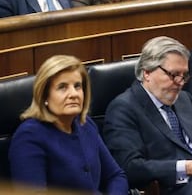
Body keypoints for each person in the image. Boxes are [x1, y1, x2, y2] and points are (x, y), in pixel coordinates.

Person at [103, 36, 192, 195]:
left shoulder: (184, 99)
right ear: (147, 73)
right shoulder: (123, 108)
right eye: (173, 74)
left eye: (184, 75)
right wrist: (185, 168)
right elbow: (129, 167)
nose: (180, 82)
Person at [8, 55, 128, 194]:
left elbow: (116, 176)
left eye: (77, 86)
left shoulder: (85, 124)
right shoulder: (29, 137)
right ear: (44, 96)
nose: (73, 94)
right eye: (62, 87)